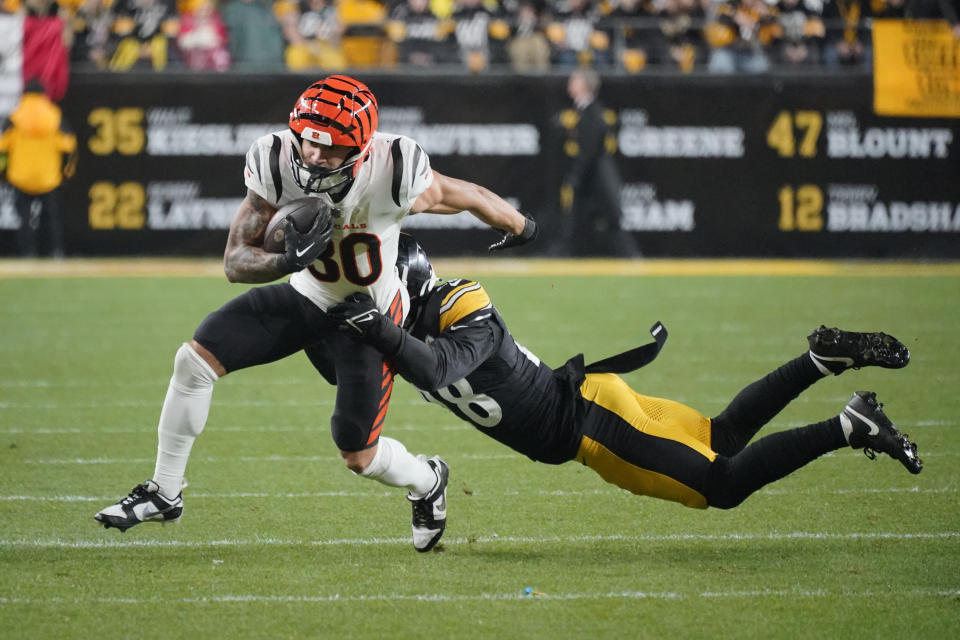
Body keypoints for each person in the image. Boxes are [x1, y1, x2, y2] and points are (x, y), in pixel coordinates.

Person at [94, 75, 538, 553]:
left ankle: (428, 478)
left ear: (362, 149)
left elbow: (462, 194)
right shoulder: (275, 158)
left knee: (359, 454)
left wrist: (521, 225)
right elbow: (235, 262)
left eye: (329, 150)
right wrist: (286, 262)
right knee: (194, 361)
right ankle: (165, 491)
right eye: (308, 143)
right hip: (308, 294)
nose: (313, 156)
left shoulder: (395, 168)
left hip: (366, 315)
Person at [324, 234, 922, 515]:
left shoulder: (461, 303)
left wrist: (378, 330)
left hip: (593, 427)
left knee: (724, 487)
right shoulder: (401, 332)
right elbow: (340, 372)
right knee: (722, 437)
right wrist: (317, 317)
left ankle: (849, 427)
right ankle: (820, 359)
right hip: (592, 404)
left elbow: (442, 364)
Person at [551, 67, 639, 257]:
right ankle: (563, 253)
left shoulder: (592, 113)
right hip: (592, 175)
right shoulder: (585, 111)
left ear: (583, 86)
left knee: (612, 218)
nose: (570, 84)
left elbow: (589, 149)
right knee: (574, 219)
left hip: (598, 176)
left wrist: (576, 175)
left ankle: (631, 256)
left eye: (574, 81)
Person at [0, 79, 77, 257]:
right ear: (43, 95)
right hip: (48, 177)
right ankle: (56, 252)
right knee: (51, 219)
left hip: (20, 176)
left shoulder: (14, 118)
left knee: (24, 219)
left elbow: (2, 149)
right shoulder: (55, 117)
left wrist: (3, 172)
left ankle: (28, 253)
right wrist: (67, 173)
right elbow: (69, 147)